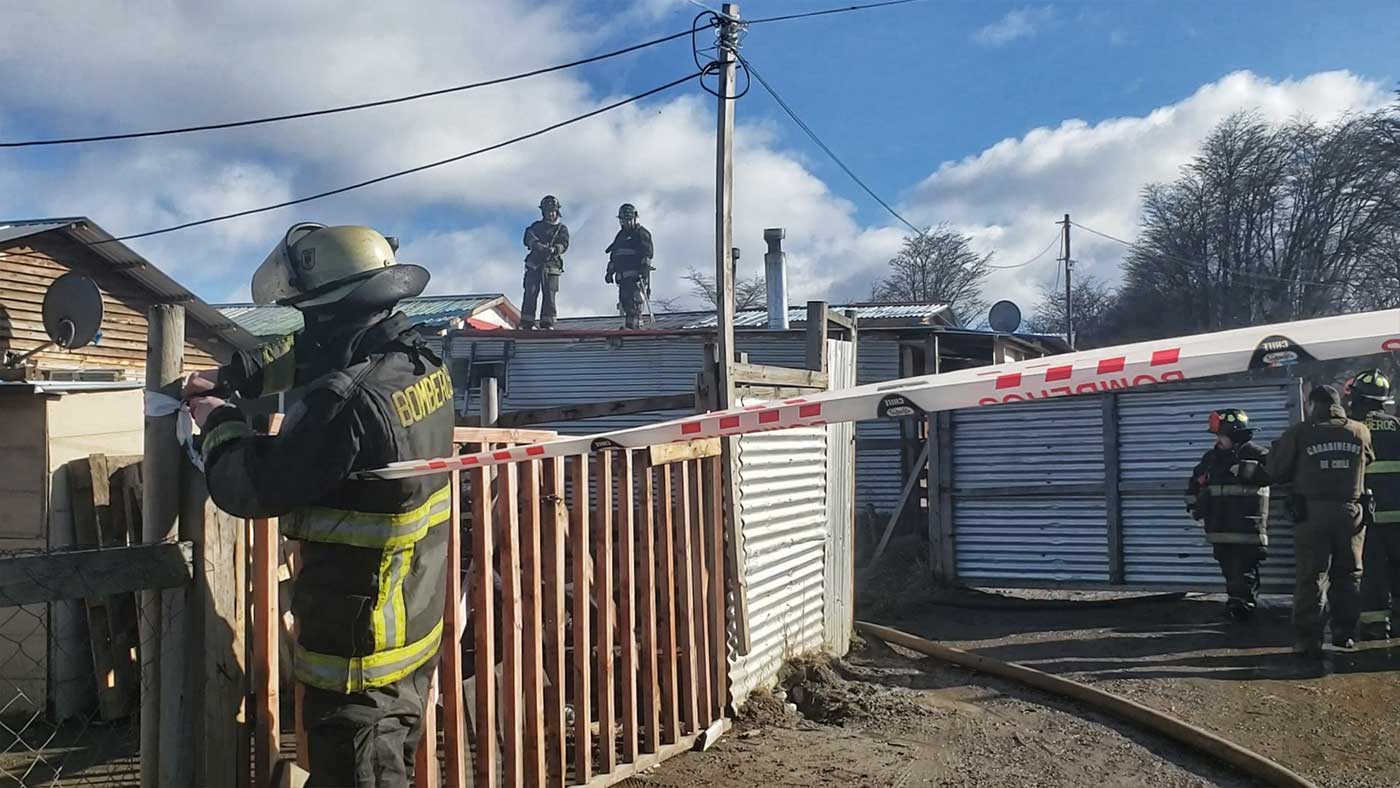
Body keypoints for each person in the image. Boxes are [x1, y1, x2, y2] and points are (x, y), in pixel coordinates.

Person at [183, 223, 455, 787]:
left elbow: (250, 486)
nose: (304, 327)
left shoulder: (344, 404)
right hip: (412, 626)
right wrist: (233, 376)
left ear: (329, 311)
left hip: (359, 655)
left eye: (307, 313)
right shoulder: (419, 361)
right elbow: (313, 355)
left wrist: (219, 421)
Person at [1270, 384, 1375, 656]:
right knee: (1350, 573)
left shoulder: (1300, 433)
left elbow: (1277, 471)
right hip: (1350, 513)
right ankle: (1345, 634)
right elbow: (1369, 460)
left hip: (1311, 514)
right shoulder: (1360, 430)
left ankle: (1308, 639)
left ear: (1312, 403)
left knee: (1312, 575)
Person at [1187, 408, 1271, 620]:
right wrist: (1194, 504)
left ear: (1234, 435)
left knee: (1244, 570)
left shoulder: (1257, 454)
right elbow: (1195, 483)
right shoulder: (1211, 457)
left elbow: (1276, 473)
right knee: (1229, 568)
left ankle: (1244, 607)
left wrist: (1245, 470)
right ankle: (1236, 603)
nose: (1218, 440)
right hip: (1219, 526)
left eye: (1221, 436)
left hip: (1246, 527)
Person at [1349, 370, 1400, 639]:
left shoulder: (1353, 429)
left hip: (1368, 517)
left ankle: (1375, 625)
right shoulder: (1398, 426)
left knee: (1373, 573)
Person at [521, 195, 569, 329]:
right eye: (548, 211)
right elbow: (527, 237)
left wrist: (554, 249)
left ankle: (547, 323)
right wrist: (537, 245)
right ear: (543, 212)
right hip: (534, 265)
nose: (550, 214)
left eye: (553, 211)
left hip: (552, 266)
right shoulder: (536, 227)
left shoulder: (561, 229)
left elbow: (565, 243)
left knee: (550, 295)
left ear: (557, 211)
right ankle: (527, 322)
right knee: (530, 292)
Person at [604, 203, 654, 329]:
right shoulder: (620, 236)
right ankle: (629, 325)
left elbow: (647, 254)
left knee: (636, 301)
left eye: (628, 219)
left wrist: (644, 271)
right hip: (623, 276)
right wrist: (610, 271)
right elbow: (614, 255)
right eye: (623, 220)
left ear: (635, 218)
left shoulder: (641, 234)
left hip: (636, 276)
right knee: (625, 301)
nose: (626, 222)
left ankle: (636, 324)